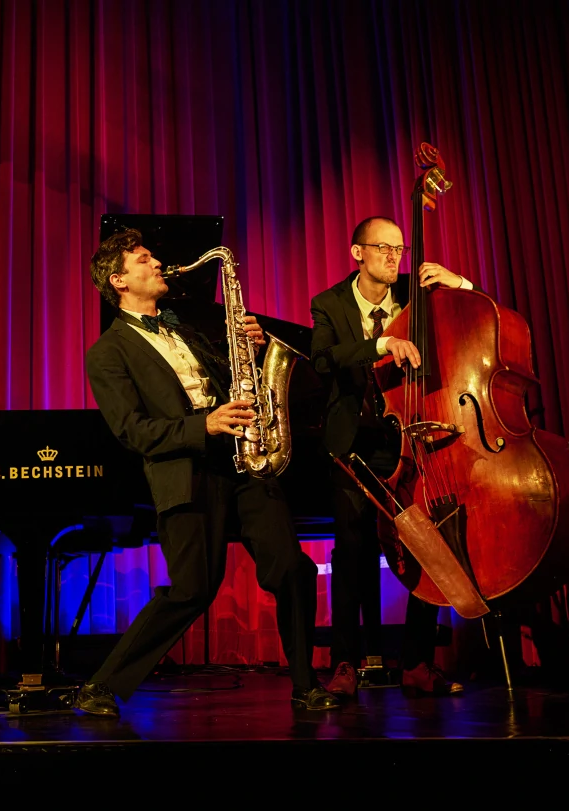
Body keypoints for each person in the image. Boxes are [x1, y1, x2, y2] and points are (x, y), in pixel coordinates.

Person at [78, 228, 339, 717]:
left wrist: (256, 350)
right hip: (187, 470)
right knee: (193, 588)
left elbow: (236, 380)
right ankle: (102, 685)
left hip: (244, 459)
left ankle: (305, 684)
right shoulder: (107, 352)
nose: (156, 264)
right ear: (118, 280)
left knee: (292, 568)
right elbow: (133, 431)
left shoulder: (186, 329)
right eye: (143, 259)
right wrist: (205, 425)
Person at [310, 215, 469, 698]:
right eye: (383, 248)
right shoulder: (329, 303)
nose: (394, 258)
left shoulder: (418, 300)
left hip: (415, 440)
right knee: (352, 553)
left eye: (398, 249)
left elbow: (474, 321)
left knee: (430, 545)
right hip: (356, 446)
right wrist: (381, 343)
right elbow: (322, 359)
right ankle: (344, 663)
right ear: (357, 252)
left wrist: (459, 285)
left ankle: (418, 663)